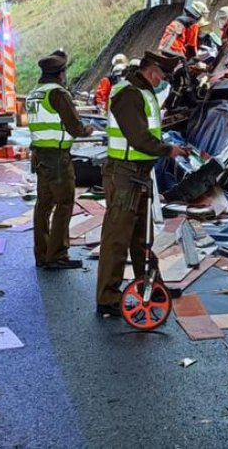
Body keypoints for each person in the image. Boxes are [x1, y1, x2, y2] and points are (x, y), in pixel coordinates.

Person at [95, 51, 190, 315]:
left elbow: (145, 132)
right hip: (125, 173)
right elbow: (139, 137)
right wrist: (168, 149)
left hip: (136, 173)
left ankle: (151, 285)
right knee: (117, 236)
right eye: (162, 75)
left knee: (140, 236)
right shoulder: (128, 94)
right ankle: (107, 297)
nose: (163, 81)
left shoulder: (142, 92)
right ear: (152, 71)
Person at [27, 52, 94, 270]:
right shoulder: (58, 93)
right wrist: (86, 130)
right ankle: (57, 255)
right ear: (61, 73)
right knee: (64, 203)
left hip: (39, 155)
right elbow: (74, 126)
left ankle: (42, 254)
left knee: (44, 205)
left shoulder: (34, 93)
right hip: (57, 157)